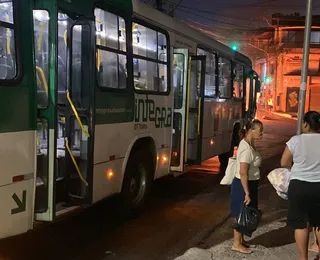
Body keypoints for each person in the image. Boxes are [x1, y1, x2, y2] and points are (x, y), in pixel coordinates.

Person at [281, 111, 320, 260]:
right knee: (318, 223)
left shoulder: (295, 140)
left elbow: (284, 162)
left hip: (299, 187)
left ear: (305, 124)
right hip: (319, 186)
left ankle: (303, 258)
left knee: (301, 225)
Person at [230, 119, 264, 254]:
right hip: (243, 185)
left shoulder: (250, 144)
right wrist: (247, 193)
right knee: (240, 213)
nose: (262, 134)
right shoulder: (245, 148)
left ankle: (242, 240)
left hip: (250, 183)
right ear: (252, 130)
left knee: (246, 213)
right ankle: (236, 243)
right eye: (260, 131)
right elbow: (243, 172)